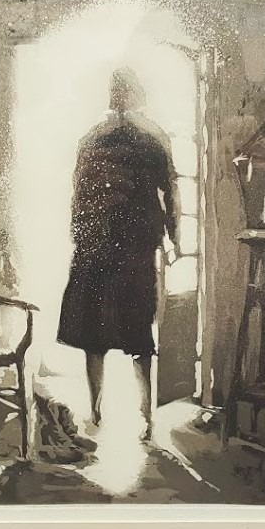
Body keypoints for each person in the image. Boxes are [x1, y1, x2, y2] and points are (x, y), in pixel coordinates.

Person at [57, 67, 179, 442]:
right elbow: (169, 194)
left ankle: (108, 410)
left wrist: (80, 235)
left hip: (107, 246)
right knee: (134, 334)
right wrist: (174, 237)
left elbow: (78, 195)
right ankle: (142, 414)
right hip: (128, 247)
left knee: (101, 335)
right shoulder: (151, 140)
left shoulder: (92, 139)